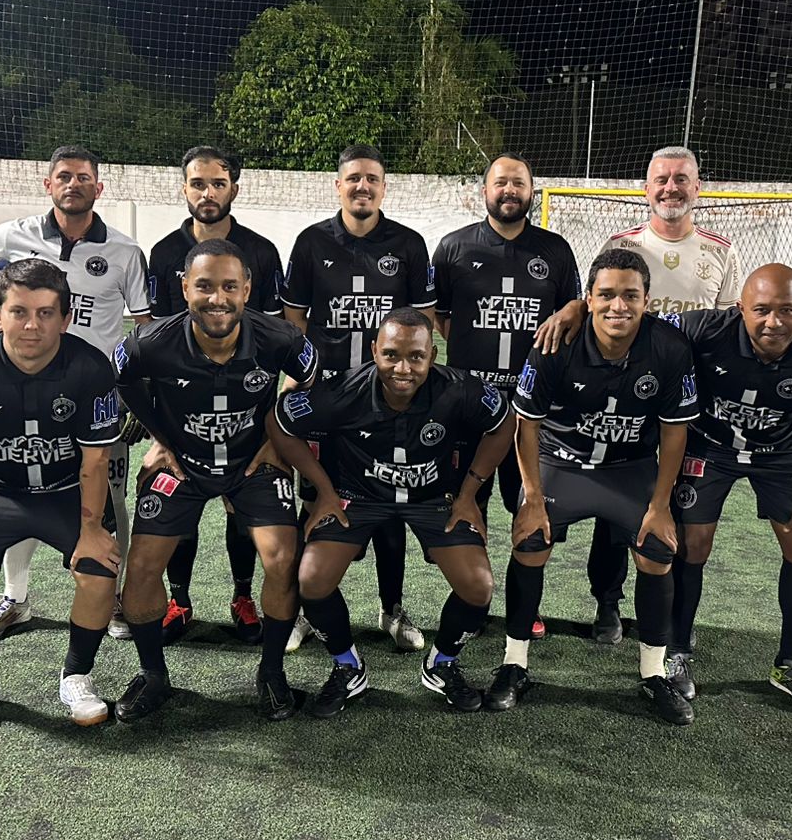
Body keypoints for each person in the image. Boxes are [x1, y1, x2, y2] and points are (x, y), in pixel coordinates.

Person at [533, 145, 741, 646]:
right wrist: (571, 308)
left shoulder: (721, 252)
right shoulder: (622, 244)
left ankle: (672, 619)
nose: (671, 188)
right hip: (624, 398)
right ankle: (608, 604)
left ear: (697, 187)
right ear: (646, 189)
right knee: (614, 509)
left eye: (681, 179)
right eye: (661, 179)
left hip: (685, 404)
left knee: (678, 513)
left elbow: (730, 326)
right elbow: (595, 298)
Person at [0, 145, 151, 640]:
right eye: (64, 176)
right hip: (15, 390)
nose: (73, 184)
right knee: (18, 488)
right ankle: (16, 599)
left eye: (83, 177)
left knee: (110, 498)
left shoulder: (125, 252)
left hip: (94, 396)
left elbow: (145, 326)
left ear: (98, 188)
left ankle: (112, 597)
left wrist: (136, 390)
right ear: (48, 184)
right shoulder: (12, 235)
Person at [487, 248, 701, 725]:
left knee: (657, 550)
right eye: (606, 295)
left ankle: (653, 674)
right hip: (562, 463)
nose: (617, 306)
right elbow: (526, 425)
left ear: (647, 300)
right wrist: (533, 497)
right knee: (529, 541)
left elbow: (674, 431)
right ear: (588, 299)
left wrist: (660, 505)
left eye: (630, 295)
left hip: (629, 468)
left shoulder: (669, 347)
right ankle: (514, 664)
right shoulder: (554, 342)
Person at [266, 309, 516, 716]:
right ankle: (348, 667)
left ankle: (442, 663)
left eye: (416, 357)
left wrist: (469, 492)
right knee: (311, 578)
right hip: (358, 497)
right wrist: (324, 491)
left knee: (478, 586)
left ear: (432, 355)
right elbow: (280, 422)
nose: (403, 368)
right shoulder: (343, 389)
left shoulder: (459, 389)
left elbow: (504, 423)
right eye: (391, 355)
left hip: (433, 499)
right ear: (374, 352)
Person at [113, 239, 320, 722]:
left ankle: (272, 671)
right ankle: (153, 675)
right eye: (204, 286)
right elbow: (122, 380)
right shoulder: (148, 342)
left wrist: (276, 434)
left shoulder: (282, 338)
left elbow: (310, 382)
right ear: (185, 287)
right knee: (140, 567)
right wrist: (161, 438)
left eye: (229, 286)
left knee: (282, 559)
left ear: (247, 289)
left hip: (252, 464)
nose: (217, 298)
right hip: (181, 466)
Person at [0, 259, 123, 734]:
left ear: (66, 319)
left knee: (99, 573)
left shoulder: (91, 367)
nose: (32, 325)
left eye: (46, 313)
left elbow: (95, 462)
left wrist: (91, 530)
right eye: (19, 312)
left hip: (67, 491)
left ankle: (77, 677)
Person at [665, 264, 792, 713]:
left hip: (779, 454)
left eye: (787, 310)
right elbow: (640, 325)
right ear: (739, 308)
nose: (774, 322)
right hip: (708, 447)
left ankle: (789, 664)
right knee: (692, 543)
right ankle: (677, 651)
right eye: (762, 310)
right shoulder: (702, 329)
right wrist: (576, 310)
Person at [282, 145, 438, 653]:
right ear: (339, 185)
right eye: (353, 178)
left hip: (387, 397)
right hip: (325, 396)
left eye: (372, 178)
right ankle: (306, 610)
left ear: (384, 187)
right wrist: (297, 376)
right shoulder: (311, 242)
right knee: (314, 500)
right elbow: (295, 319)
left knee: (389, 501)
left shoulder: (409, 244)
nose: (362, 186)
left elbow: (423, 324)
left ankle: (392, 608)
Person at [431, 153, 581, 640]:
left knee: (528, 507)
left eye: (518, 182)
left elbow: (573, 310)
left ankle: (523, 608)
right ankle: (472, 604)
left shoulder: (555, 250)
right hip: (468, 407)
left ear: (532, 191)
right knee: (465, 505)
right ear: (485, 191)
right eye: (501, 182)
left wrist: (575, 309)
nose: (509, 190)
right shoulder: (453, 248)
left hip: (530, 408)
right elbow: (441, 317)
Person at [145, 146, 286, 648]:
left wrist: (271, 433)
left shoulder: (262, 252)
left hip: (246, 409)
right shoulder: (164, 253)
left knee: (240, 508)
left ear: (234, 189)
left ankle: (243, 596)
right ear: (184, 189)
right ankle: (179, 599)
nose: (208, 193)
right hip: (182, 412)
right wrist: (160, 435)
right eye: (198, 183)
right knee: (179, 509)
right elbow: (153, 344)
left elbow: (277, 344)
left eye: (218, 183)